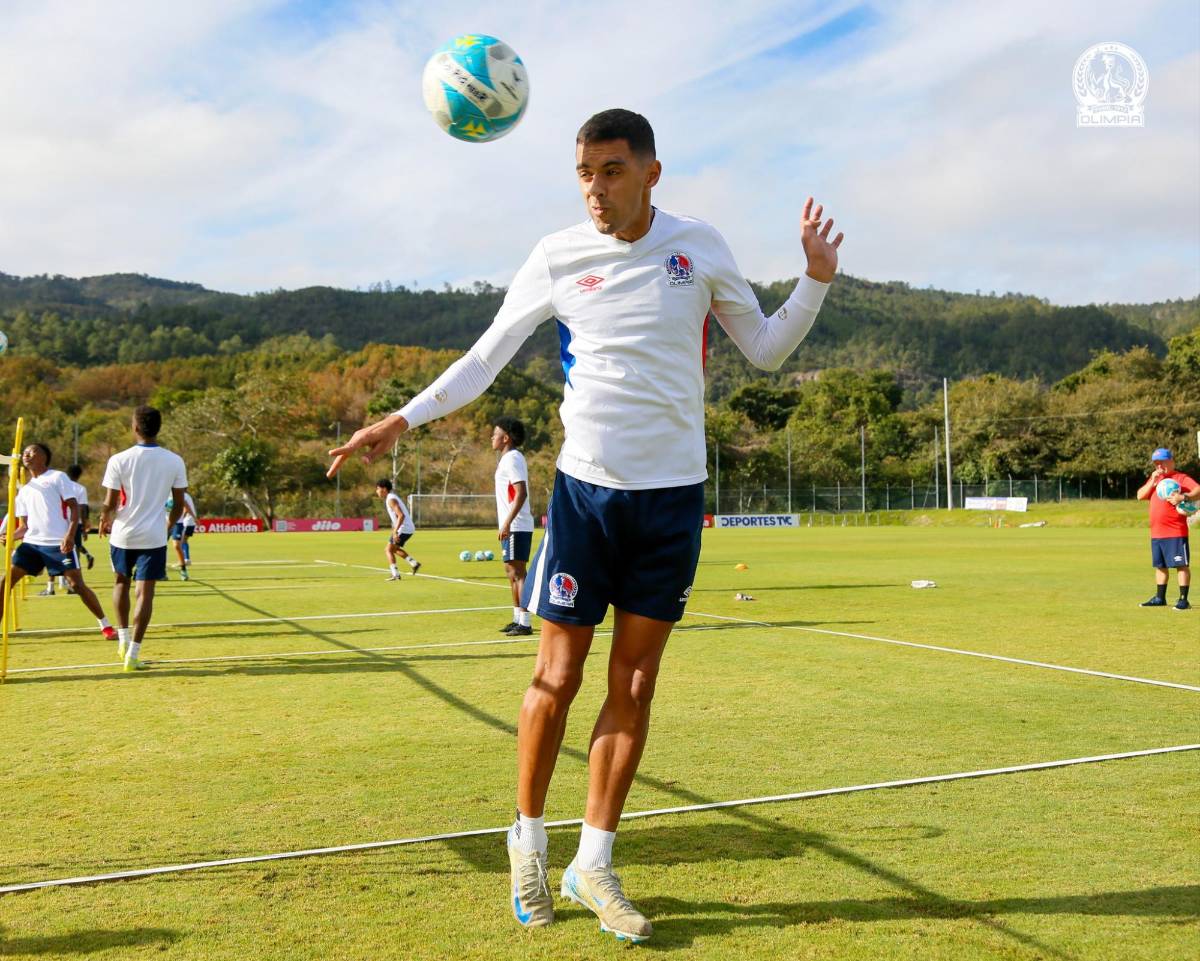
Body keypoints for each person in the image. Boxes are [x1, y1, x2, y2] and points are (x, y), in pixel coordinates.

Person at [327, 108, 841, 943]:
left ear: (650, 172)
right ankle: (526, 840)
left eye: (609, 171)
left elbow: (768, 350)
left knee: (633, 684)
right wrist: (402, 418)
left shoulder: (699, 246)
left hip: (672, 500)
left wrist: (814, 279)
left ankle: (593, 860)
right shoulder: (558, 255)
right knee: (556, 677)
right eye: (584, 174)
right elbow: (488, 354)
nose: (595, 190)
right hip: (585, 496)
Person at [99, 405, 188, 671]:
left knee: (120, 585)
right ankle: (133, 655)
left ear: (135, 427)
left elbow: (110, 502)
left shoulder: (118, 459)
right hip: (154, 536)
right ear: (158, 428)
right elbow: (180, 503)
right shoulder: (174, 460)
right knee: (145, 595)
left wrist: (104, 519)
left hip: (123, 534)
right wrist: (167, 526)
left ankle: (123, 640)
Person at [0, 444, 117, 642]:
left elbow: (74, 508)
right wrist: (10, 536)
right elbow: (25, 527)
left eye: (32, 452)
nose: (27, 455)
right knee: (4, 582)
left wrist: (70, 536)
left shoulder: (57, 477)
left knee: (77, 585)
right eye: (25, 453)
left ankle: (106, 625)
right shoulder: (25, 491)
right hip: (31, 545)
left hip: (58, 543)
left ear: (44, 457)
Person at [1136, 447, 1198, 611]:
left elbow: (1198, 489)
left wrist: (1183, 497)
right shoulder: (1155, 480)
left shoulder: (1180, 478)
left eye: (1162, 462)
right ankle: (1159, 598)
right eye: (1156, 463)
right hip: (1157, 533)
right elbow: (1140, 495)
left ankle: (1183, 600)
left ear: (1171, 461)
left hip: (1175, 531)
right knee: (1160, 566)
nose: (1159, 466)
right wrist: (1151, 481)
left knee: (1181, 565)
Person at [493, 416, 535, 637]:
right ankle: (517, 617)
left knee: (518, 572)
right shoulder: (507, 459)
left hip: (516, 525)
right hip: (512, 524)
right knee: (511, 571)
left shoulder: (513, 458)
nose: (492, 437)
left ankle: (525, 622)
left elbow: (521, 492)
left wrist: (508, 522)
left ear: (506, 437)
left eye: (495, 433)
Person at [375, 479, 420, 580]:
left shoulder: (391, 499)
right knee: (394, 549)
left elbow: (401, 515)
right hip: (406, 528)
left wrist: (395, 531)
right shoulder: (390, 498)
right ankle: (414, 563)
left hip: (404, 528)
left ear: (384, 489)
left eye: (378, 488)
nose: (377, 491)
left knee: (388, 550)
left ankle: (395, 574)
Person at [168, 491, 197, 580]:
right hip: (164, 523)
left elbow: (186, 505)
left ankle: (183, 570)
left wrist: (195, 518)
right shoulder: (161, 493)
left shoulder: (176, 493)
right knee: (160, 547)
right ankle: (161, 571)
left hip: (178, 523)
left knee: (177, 545)